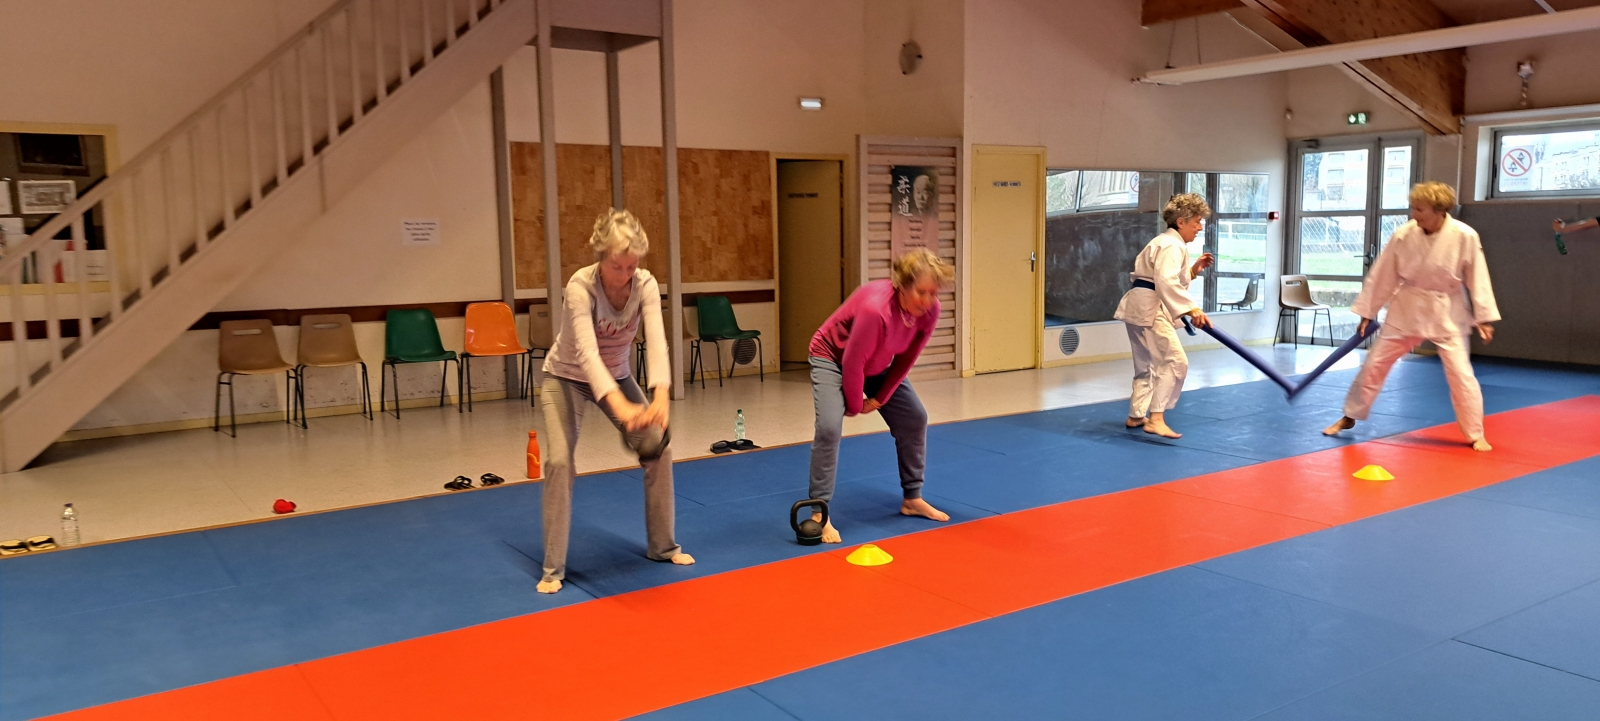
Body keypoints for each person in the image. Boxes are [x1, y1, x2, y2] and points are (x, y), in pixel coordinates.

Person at [536, 208, 693, 594]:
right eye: (617, 266)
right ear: (601, 257)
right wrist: (622, 407)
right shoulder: (580, 287)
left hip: (618, 375)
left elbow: (656, 340)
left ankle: (663, 547)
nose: (625, 275)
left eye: (631, 266)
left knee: (658, 448)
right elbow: (587, 355)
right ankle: (553, 569)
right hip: (565, 378)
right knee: (559, 461)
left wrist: (661, 395)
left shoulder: (646, 285)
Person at [1323, 181, 1499, 451]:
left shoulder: (1465, 236)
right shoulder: (1404, 234)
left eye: (1420, 209)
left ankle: (1476, 433)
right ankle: (1350, 415)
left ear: (1439, 210)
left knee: (1461, 375)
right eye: (1413, 208)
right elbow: (1383, 274)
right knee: (1374, 365)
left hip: (1446, 311)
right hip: (1407, 308)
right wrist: (1368, 311)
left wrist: (1483, 317)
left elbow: (1478, 276)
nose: (1414, 214)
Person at [805, 248, 954, 544]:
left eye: (933, 293)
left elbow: (907, 358)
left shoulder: (930, 311)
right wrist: (854, 405)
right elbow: (852, 363)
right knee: (829, 428)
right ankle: (819, 511)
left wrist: (880, 398)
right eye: (921, 292)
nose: (927, 300)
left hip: (877, 363)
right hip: (832, 357)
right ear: (902, 286)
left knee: (914, 418)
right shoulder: (876, 310)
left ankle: (912, 498)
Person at [1114, 193, 1215, 439]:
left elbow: (1162, 277)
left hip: (1138, 304)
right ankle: (1156, 419)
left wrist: (1194, 270)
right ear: (1181, 222)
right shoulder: (1172, 245)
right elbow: (1165, 280)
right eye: (1197, 222)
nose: (1200, 227)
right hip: (1150, 307)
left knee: (1146, 364)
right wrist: (1191, 309)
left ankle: (1137, 415)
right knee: (1175, 361)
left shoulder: (1163, 241)